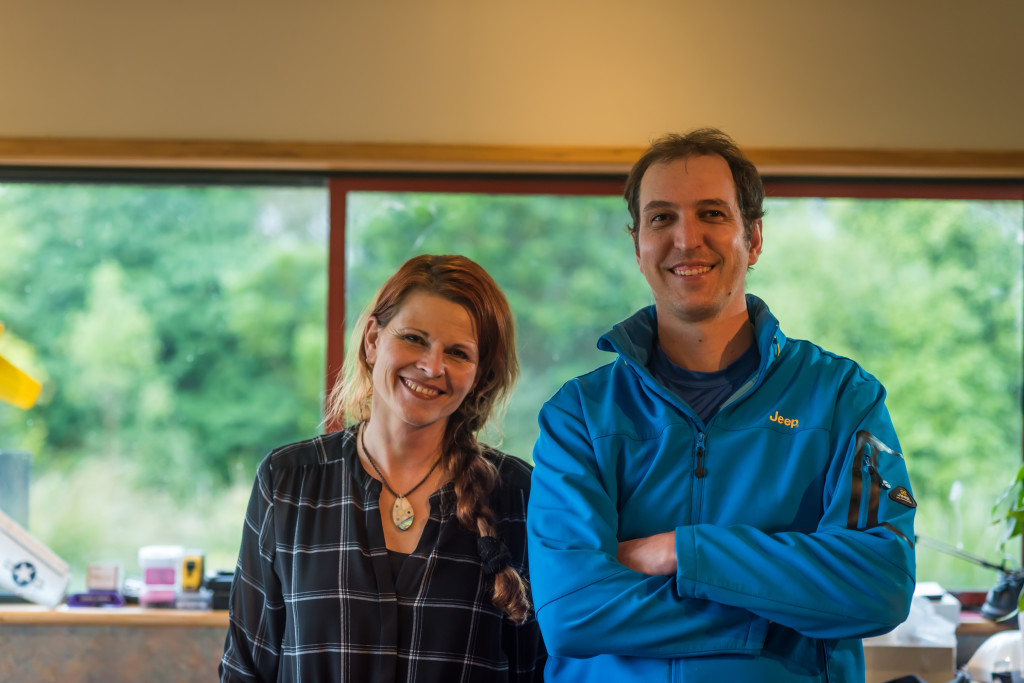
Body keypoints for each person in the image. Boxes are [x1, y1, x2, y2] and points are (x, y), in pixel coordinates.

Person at [526, 128, 916, 682]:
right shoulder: (579, 417)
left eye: (712, 214)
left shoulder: (841, 398)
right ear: (637, 245)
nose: (687, 239)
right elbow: (573, 612)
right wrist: (780, 624)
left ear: (753, 239)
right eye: (662, 218)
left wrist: (685, 552)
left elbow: (880, 586)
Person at [221, 254, 545, 682]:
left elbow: (538, 671)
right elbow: (245, 668)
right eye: (413, 338)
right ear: (373, 339)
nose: (432, 366)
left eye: (458, 352)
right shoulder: (287, 483)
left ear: (479, 374)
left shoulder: (519, 496)